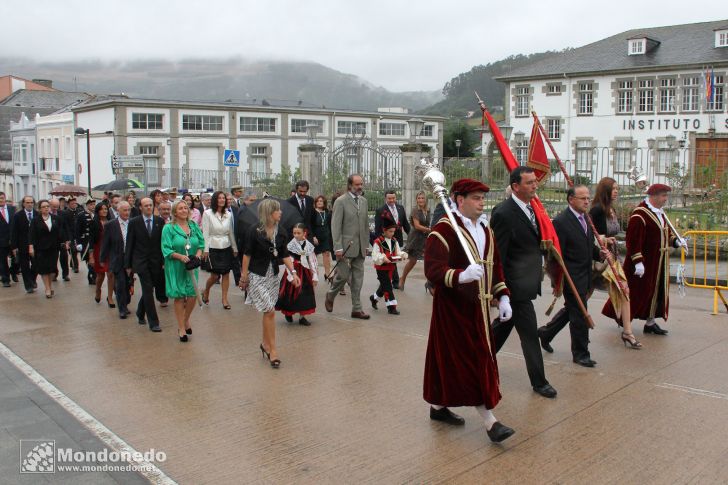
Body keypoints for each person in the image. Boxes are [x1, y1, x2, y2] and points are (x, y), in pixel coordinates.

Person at [423, 178, 515, 443]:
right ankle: (490, 422)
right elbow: (433, 269)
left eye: (483, 198)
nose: (481, 203)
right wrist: (462, 275)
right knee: (470, 361)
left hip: (480, 308)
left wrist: (503, 295)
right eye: (475, 198)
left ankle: (439, 407)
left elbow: (495, 266)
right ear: (459, 200)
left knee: (450, 362)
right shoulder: (444, 230)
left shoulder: (486, 230)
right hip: (453, 308)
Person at [490, 166, 557, 398]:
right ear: (516, 187)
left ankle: (474, 360)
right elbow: (498, 255)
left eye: (535, 182)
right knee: (529, 333)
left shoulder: (532, 209)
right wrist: (501, 291)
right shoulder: (504, 213)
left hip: (526, 283)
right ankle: (539, 382)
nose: (534, 186)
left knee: (500, 330)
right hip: (514, 287)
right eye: (529, 183)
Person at [602, 184, 686, 336]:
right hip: (643, 263)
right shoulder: (640, 215)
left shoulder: (660, 213)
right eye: (663, 196)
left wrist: (676, 241)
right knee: (637, 292)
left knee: (656, 292)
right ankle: (623, 319)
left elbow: (665, 233)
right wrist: (638, 261)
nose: (666, 199)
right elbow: (633, 240)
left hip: (658, 262)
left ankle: (650, 322)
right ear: (653, 196)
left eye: (666, 196)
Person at [537, 186, 606, 367]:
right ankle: (581, 353)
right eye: (582, 198)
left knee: (572, 310)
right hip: (570, 277)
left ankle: (546, 333)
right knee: (579, 315)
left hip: (585, 274)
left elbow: (588, 245)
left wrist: (599, 254)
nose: (586, 201)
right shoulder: (561, 222)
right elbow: (555, 255)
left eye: (588, 198)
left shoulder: (586, 218)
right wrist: (557, 279)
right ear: (571, 200)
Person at [240, 198, 301, 367]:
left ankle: (265, 344)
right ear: (269, 213)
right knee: (270, 310)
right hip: (257, 274)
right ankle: (273, 350)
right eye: (277, 210)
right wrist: (244, 276)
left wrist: (293, 272)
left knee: (268, 312)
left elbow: (284, 254)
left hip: (273, 274)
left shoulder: (280, 231)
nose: (280, 213)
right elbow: (247, 254)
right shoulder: (254, 230)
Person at [589, 177, 641, 349]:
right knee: (580, 299)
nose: (617, 191)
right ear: (605, 190)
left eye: (617, 188)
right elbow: (592, 235)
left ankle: (627, 332)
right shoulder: (597, 210)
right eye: (613, 188)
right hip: (602, 259)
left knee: (625, 291)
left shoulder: (610, 209)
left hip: (613, 258)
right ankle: (550, 330)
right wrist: (606, 240)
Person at [324, 175, 370, 319]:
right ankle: (330, 295)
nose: (360, 187)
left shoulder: (364, 201)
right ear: (350, 185)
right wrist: (337, 247)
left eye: (361, 184)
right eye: (357, 184)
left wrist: (367, 244)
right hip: (345, 247)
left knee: (358, 279)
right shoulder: (341, 201)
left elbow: (366, 225)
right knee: (343, 276)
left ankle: (357, 308)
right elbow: (335, 226)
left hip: (361, 246)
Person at [161, 200, 204, 342]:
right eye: (180, 208)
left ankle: (186, 320)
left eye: (186, 208)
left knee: (192, 295)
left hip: (192, 266)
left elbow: (201, 243)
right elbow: (166, 248)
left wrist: (197, 256)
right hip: (176, 265)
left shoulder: (193, 226)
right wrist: (180, 256)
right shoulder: (168, 228)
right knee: (179, 296)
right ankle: (181, 328)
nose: (184, 210)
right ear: (175, 212)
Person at [124, 197, 165, 332]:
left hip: (156, 262)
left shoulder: (160, 222)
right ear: (140, 208)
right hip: (140, 262)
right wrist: (128, 264)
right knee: (147, 290)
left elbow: (162, 244)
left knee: (150, 289)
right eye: (146, 205)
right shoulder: (134, 222)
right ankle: (153, 322)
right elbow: (130, 243)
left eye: (150, 205)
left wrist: (164, 261)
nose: (149, 207)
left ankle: (140, 311)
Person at [276, 222, 318, 325]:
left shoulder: (308, 245)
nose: (296, 235)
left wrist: (315, 275)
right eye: (294, 233)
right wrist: (291, 275)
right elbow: (288, 259)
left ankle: (302, 317)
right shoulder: (290, 245)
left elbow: (312, 260)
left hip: (305, 271)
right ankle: (288, 313)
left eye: (298, 233)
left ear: (304, 233)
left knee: (305, 294)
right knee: (291, 293)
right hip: (293, 270)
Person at [201, 191, 237, 309]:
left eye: (223, 198)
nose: (222, 200)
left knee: (226, 273)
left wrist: (234, 247)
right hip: (212, 246)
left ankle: (225, 299)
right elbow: (205, 233)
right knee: (215, 276)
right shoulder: (207, 214)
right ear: (215, 200)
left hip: (226, 246)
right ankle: (206, 291)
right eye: (219, 198)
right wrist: (205, 249)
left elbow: (230, 232)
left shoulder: (229, 214)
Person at [100, 201, 133, 319]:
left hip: (131, 259)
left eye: (129, 210)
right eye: (124, 210)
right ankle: (122, 309)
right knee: (120, 283)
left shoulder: (133, 223)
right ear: (118, 211)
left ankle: (126, 301)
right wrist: (102, 258)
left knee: (128, 284)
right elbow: (105, 243)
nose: (127, 212)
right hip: (117, 258)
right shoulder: (110, 225)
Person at [28, 199, 64, 298]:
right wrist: (31, 247)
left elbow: (61, 231)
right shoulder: (35, 220)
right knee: (44, 269)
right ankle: (47, 288)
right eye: (44, 207)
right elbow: (31, 234)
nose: (46, 208)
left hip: (53, 247)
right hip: (41, 248)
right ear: (39, 209)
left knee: (52, 269)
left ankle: (50, 285)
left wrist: (65, 242)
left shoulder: (56, 218)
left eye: (47, 206)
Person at [374, 190, 410, 288]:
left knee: (393, 260)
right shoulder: (380, 210)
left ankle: (386, 278)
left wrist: (410, 234)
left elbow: (405, 223)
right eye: (389, 198)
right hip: (386, 240)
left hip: (397, 238)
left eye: (393, 198)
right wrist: (379, 241)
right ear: (385, 198)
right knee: (390, 259)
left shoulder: (401, 208)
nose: (392, 200)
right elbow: (378, 227)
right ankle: (395, 281)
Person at [370, 221, 407, 315]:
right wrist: (383, 258)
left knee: (384, 285)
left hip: (391, 267)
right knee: (388, 287)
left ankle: (374, 298)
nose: (392, 233)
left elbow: (398, 252)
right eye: (390, 231)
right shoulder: (378, 242)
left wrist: (402, 255)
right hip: (381, 268)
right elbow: (375, 256)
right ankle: (391, 307)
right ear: (384, 230)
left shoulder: (394, 241)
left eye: (393, 231)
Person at [398, 191, 430, 291]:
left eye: (422, 198)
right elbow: (417, 226)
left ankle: (430, 282)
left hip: (425, 238)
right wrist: (429, 229)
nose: (420, 200)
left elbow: (427, 224)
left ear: (426, 200)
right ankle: (402, 279)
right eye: (419, 198)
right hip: (415, 238)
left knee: (430, 261)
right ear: (416, 199)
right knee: (413, 261)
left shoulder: (427, 210)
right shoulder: (415, 210)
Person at [88, 203, 116, 308]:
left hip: (110, 250)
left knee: (110, 273)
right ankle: (98, 290)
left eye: (106, 209)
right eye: (102, 209)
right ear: (98, 211)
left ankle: (110, 297)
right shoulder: (93, 223)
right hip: (98, 250)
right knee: (100, 275)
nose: (104, 211)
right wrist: (91, 255)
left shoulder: (111, 222)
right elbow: (90, 240)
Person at [11, 196, 38, 293]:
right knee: (25, 266)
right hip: (22, 245)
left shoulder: (37, 214)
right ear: (23, 204)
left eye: (31, 202)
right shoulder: (18, 216)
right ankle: (28, 286)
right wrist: (14, 247)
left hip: (35, 245)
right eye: (27, 202)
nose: (30, 204)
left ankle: (32, 279)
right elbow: (14, 232)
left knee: (36, 264)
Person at [75, 198, 97, 285]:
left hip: (95, 240)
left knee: (95, 258)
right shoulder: (81, 215)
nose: (93, 206)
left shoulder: (96, 214)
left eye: (93, 204)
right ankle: (91, 276)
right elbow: (77, 230)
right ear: (87, 205)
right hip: (85, 241)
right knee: (89, 259)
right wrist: (78, 242)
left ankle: (93, 275)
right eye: (91, 204)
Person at [49, 199, 72, 282]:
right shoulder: (47, 215)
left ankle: (65, 274)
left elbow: (66, 227)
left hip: (62, 239)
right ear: (50, 205)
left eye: (57, 206)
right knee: (53, 258)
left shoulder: (63, 214)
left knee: (64, 257)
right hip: (52, 241)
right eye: (53, 207)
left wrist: (68, 239)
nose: (55, 208)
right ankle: (54, 274)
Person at [312, 195, 333, 277]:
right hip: (316, 237)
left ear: (324, 202)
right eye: (318, 201)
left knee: (327, 254)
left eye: (321, 201)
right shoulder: (313, 212)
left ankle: (327, 274)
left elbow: (330, 224)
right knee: (314, 256)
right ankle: (314, 274)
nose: (320, 202)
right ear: (316, 203)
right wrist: (313, 236)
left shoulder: (327, 212)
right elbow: (310, 225)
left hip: (326, 237)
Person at [0, 192, 16, 287]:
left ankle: (13, 271)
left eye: (2, 198)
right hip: (1, 240)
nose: (0, 200)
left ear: (5, 198)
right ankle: (6, 279)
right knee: (2, 260)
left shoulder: (12, 209)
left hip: (13, 238)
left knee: (16, 259)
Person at [65, 197, 82, 274]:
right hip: (70, 234)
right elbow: (66, 226)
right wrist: (68, 236)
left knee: (77, 250)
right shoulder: (66, 213)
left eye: (75, 203)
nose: (74, 205)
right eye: (72, 203)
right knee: (73, 250)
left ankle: (72, 262)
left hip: (79, 234)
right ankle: (76, 266)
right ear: (68, 204)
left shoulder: (80, 211)